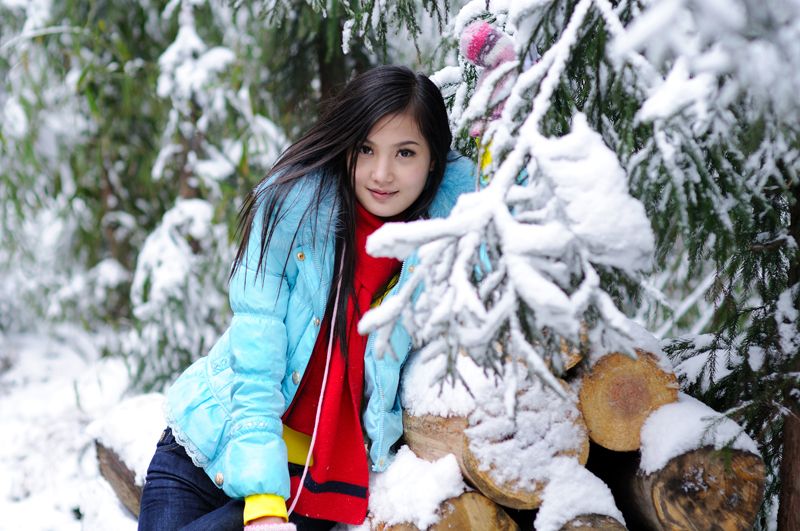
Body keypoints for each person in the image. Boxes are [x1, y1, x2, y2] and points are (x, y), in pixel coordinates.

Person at [137, 65, 475, 531]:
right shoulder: (295, 213)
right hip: (207, 444)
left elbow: (513, 225)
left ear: (435, 159)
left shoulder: (441, 241)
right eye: (366, 149)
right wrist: (262, 500)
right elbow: (256, 361)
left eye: (405, 152)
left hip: (312, 485)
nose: (381, 173)